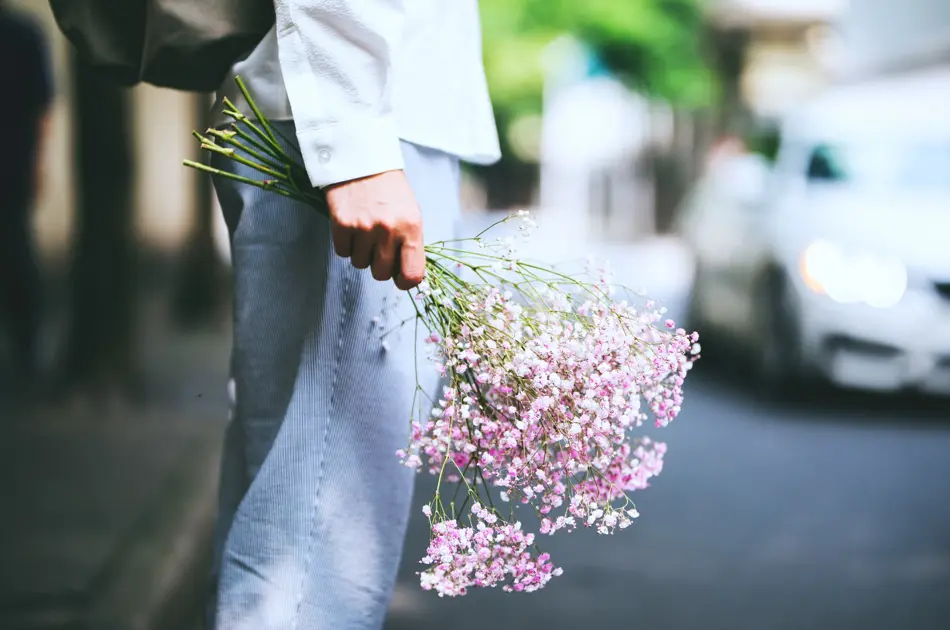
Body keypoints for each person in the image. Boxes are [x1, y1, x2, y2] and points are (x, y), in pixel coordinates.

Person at [205, 2, 500, 629]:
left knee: (285, 519)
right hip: (364, 121)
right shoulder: (362, 132)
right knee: (314, 561)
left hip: (341, 111)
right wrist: (357, 143)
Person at [0, 3, 53, 399]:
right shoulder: (24, 32)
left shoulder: (22, 34)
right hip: (16, 163)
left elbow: (43, 106)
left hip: (12, 165)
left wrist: (37, 164)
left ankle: (25, 350)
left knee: (16, 255)